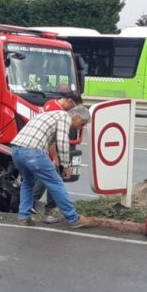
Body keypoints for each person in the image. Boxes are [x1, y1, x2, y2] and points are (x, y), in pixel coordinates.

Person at [11, 106, 95, 228]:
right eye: (82, 124)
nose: (80, 127)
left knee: (27, 183)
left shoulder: (49, 115)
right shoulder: (65, 117)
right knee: (56, 183)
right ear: (76, 116)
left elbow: (51, 142)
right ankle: (73, 219)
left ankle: (24, 217)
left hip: (16, 150)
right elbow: (62, 142)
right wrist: (66, 165)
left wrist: (53, 159)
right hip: (33, 152)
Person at [33, 93, 85, 223]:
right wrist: (55, 158)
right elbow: (55, 139)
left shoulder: (50, 103)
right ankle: (49, 210)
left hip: (42, 148)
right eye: (74, 108)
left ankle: (35, 206)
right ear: (70, 101)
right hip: (47, 150)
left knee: (48, 179)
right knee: (54, 180)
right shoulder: (58, 111)